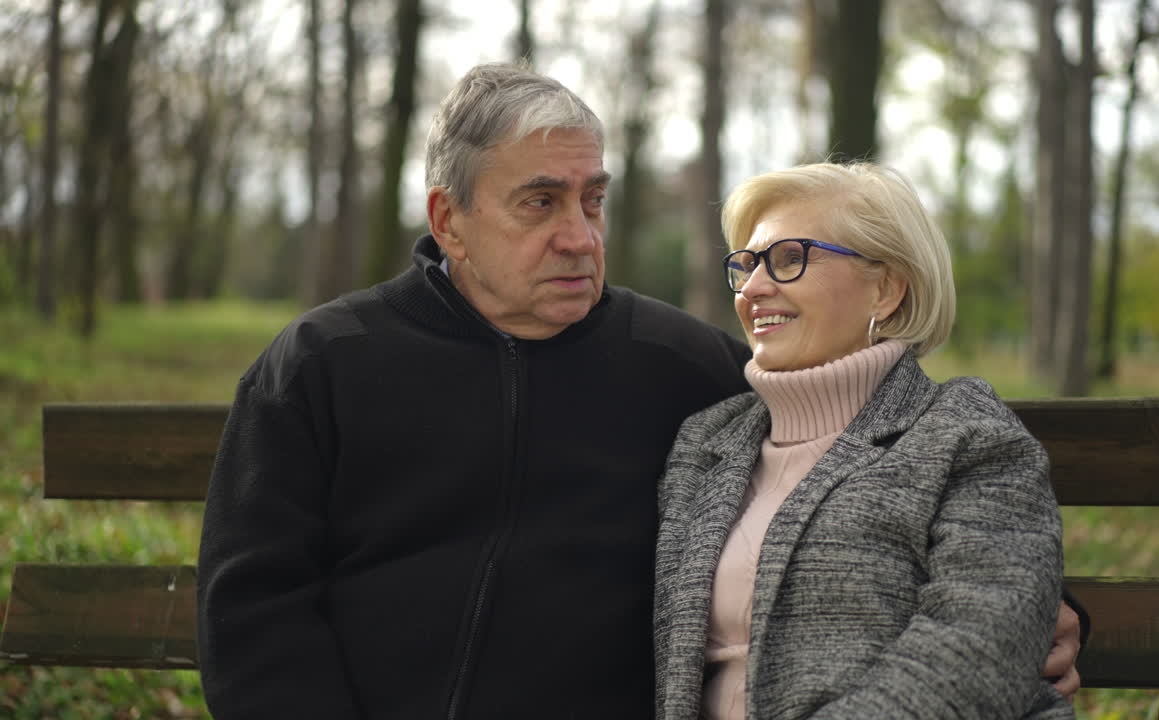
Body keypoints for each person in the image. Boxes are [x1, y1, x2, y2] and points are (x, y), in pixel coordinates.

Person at [196, 63, 1084, 719]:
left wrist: (1043, 607)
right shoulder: (323, 363)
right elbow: (254, 607)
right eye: (539, 204)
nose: (580, 237)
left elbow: (883, 453)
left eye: (593, 201)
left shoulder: (684, 368)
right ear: (449, 221)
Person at [653, 162, 1075, 719]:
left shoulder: (964, 434)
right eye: (746, 265)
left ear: (887, 289)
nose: (753, 288)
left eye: (789, 259)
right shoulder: (708, 443)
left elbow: (978, 650)